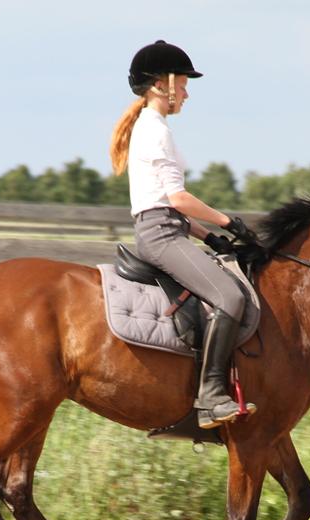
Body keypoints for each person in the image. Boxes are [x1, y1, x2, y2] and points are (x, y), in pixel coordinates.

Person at [108, 40, 258, 429]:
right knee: (230, 296)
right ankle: (210, 397)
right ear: (162, 84)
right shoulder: (154, 131)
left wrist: (208, 237)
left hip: (168, 228)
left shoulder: (153, 127)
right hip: (161, 236)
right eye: (184, 85)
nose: (187, 94)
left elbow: (166, 205)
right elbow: (178, 199)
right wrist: (228, 222)